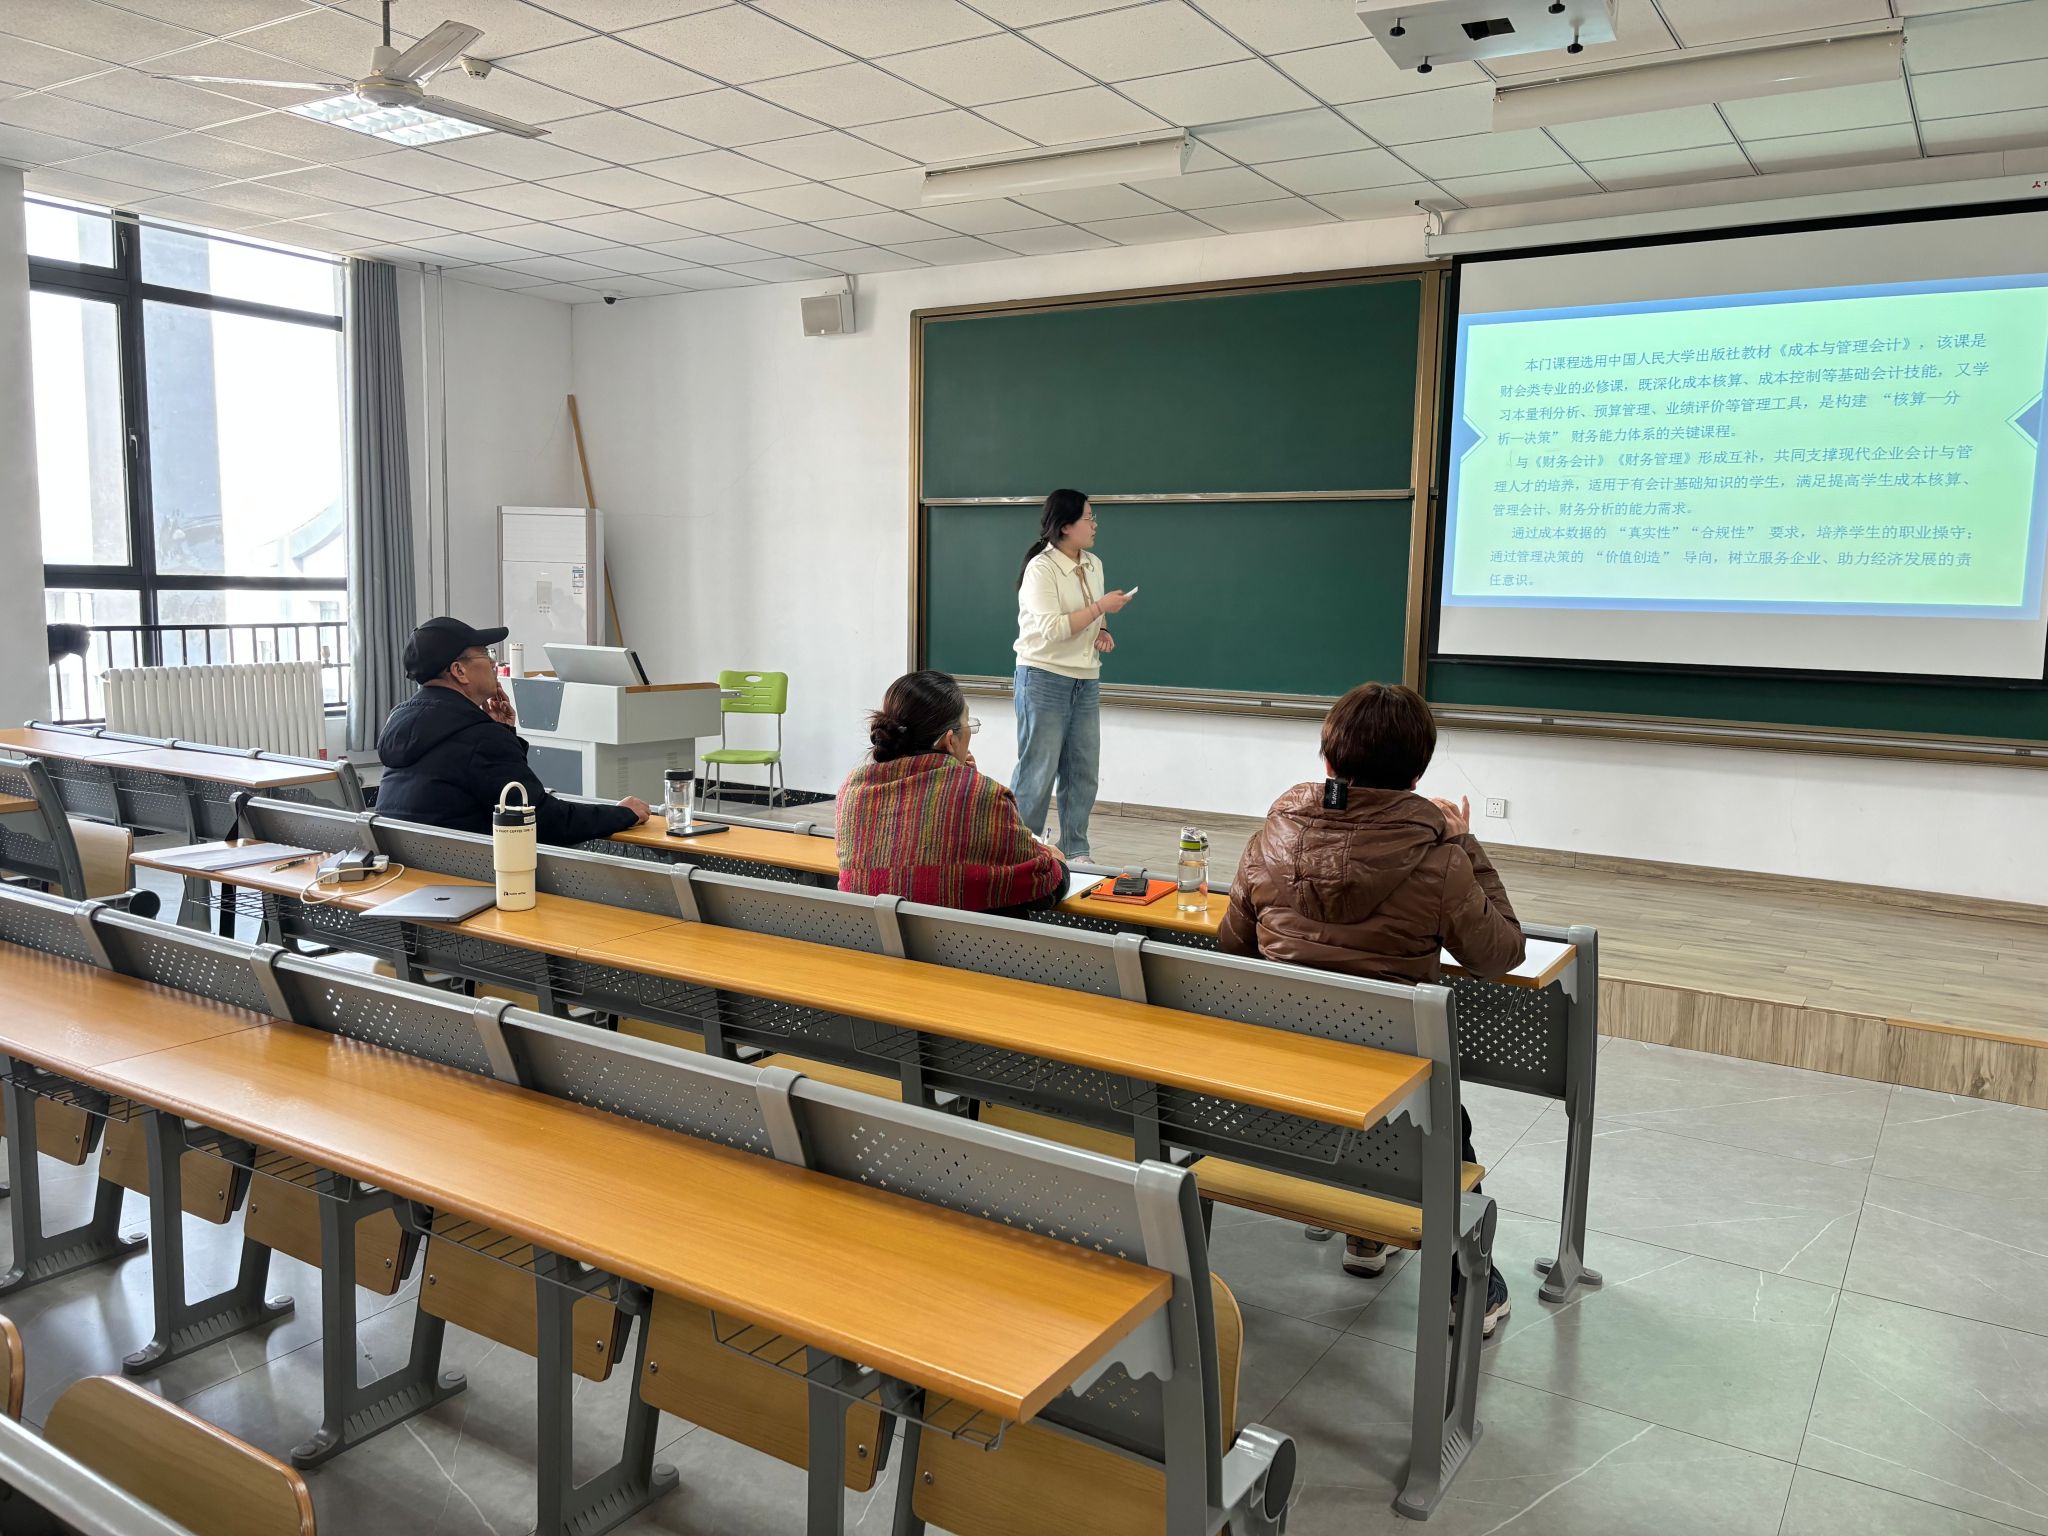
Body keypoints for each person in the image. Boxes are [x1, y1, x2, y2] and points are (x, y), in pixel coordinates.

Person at [1219, 680, 1525, 1337]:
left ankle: (1366, 1233)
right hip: (1393, 1102)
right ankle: (1466, 1286)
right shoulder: (1441, 861)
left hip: (1269, 1088)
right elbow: (1501, 953)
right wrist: (1466, 843)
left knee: (1364, 1074)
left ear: (1329, 761)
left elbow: (1231, 950)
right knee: (1441, 1117)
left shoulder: (1266, 843)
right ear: (1417, 775)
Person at [375, 616, 651, 844]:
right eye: (486, 653)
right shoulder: (479, 736)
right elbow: (541, 821)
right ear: (459, 671)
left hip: (412, 876)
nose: (494, 663)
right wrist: (622, 813)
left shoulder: (402, 723)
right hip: (470, 879)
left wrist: (503, 732)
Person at [837, 669, 1067, 913]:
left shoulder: (853, 790)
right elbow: (1043, 885)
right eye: (968, 725)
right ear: (950, 740)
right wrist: (1058, 861)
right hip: (969, 938)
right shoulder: (982, 795)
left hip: (871, 936)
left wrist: (965, 780)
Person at [1011, 489, 1134, 864]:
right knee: (1038, 770)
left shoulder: (1093, 563)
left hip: (1085, 679)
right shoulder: (1042, 569)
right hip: (1043, 677)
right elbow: (1052, 629)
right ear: (1066, 526)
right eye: (1088, 517)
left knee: (1083, 769)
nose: (1095, 524)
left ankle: (1076, 848)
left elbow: (1093, 614)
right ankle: (1021, 849)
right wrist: (1101, 606)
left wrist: (1103, 628)